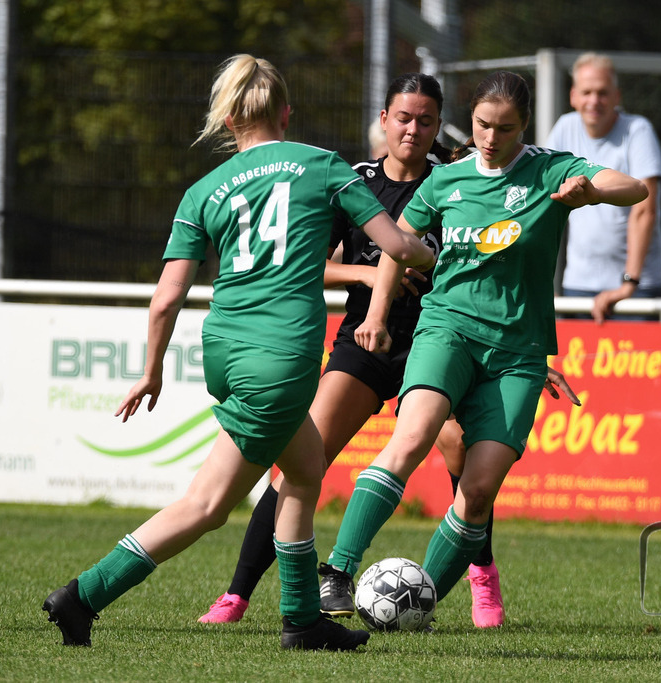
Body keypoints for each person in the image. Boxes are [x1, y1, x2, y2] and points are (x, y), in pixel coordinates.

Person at [40, 54, 435, 651]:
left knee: (305, 469)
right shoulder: (323, 166)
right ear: (286, 113)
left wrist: (151, 372)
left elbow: (165, 300)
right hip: (281, 358)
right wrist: (434, 256)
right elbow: (399, 245)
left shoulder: (203, 191)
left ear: (228, 120)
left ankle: (302, 620)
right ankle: (83, 596)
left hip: (225, 350)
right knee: (207, 505)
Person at [314, 70, 647, 618]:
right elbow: (397, 244)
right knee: (412, 436)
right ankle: (337, 574)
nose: (491, 138)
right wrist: (376, 315)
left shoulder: (550, 170)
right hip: (446, 329)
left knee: (478, 489)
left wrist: (592, 193)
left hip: (518, 354)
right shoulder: (446, 180)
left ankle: (416, 605)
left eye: (505, 128)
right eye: (482, 125)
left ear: (525, 126)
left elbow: (635, 188)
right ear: (470, 121)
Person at [196, 73, 507, 630]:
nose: (413, 130)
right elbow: (309, 263)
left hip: (439, 339)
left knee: (462, 452)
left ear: (438, 126)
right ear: (384, 120)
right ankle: (237, 593)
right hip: (365, 338)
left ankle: (481, 575)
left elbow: (479, 263)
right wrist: (372, 271)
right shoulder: (353, 180)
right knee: (301, 460)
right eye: (403, 118)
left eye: (426, 121)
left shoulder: (452, 182)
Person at [546, 52, 661, 323]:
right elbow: (543, 197)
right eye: (586, 92)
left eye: (602, 92)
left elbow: (645, 209)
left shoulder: (638, 130)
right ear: (573, 96)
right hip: (577, 285)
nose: (594, 101)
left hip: (636, 289)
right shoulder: (564, 128)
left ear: (617, 96)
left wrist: (628, 283)